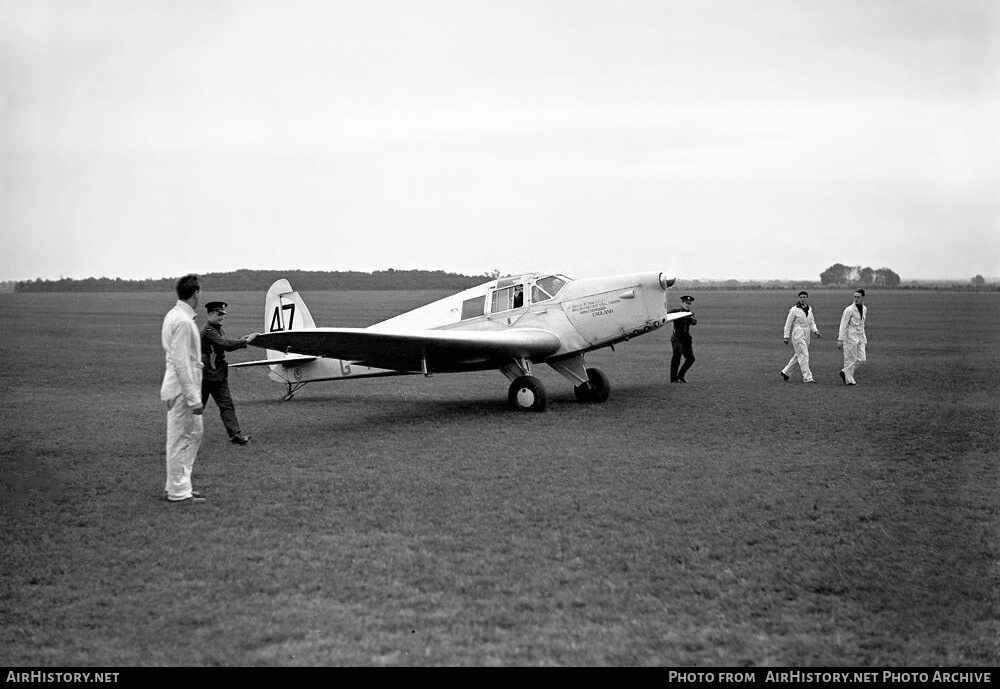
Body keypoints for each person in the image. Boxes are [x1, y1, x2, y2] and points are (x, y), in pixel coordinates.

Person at [160, 274, 206, 504]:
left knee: (193, 433)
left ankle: (180, 485)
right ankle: (178, 491)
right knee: (181, 438)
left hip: (177, 386)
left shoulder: (174, 315)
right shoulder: (184, 322)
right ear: (196, 293)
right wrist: (193, 398)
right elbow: (181, 362)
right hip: (181, 390)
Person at [201, 301, 260, 444]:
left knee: (226, 404)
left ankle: (236, 436)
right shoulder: (208, 331)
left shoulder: (217, 330)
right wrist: (245, 342)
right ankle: (181, 436)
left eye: (223, 314)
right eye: (218, 314)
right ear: (209, 313)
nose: (222, 317)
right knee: (196, 407)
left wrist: (242, 340)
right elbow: (224, 343)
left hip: (218, 375)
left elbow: (226, 345)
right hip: (205, 376)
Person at [780, 290, 821, 383]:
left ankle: (785, 371)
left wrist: (815, 331)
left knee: (799, 354)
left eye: (804, 297)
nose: (802, 299)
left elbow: (811, 322)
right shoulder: (794, 310)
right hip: (797, 333)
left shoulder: (809, 309)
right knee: (804, 355)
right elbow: (788, 323)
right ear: (799, 298)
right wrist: (786, 336)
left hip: (807, 333)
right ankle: (808, 378)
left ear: (807, 298)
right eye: (801, 297)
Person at [837, 288, 868, 385]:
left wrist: (864, 338)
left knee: (862, 359)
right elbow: (843, 325)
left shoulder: (864, 309)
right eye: (855, 297)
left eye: (858, 297)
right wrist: (840, 339)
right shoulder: (849, 310)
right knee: (850, 359)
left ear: (863, 297)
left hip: (860, 338)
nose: (856, 299)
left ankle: (844, 372)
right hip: (850, 338)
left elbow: (862, 324)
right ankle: (849, 381)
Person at [668, 295, 697, 382]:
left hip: (686, 339)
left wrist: (692, 319)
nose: (687, 305)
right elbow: (665, 316)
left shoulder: (690, 314)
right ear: (682, 303)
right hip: (677, 338)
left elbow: (694, 323)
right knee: (677, 357)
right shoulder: (676, 312)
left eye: (689, 303)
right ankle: (673, 379)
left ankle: (681, 375)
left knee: (691, 359)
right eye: (686, 303)